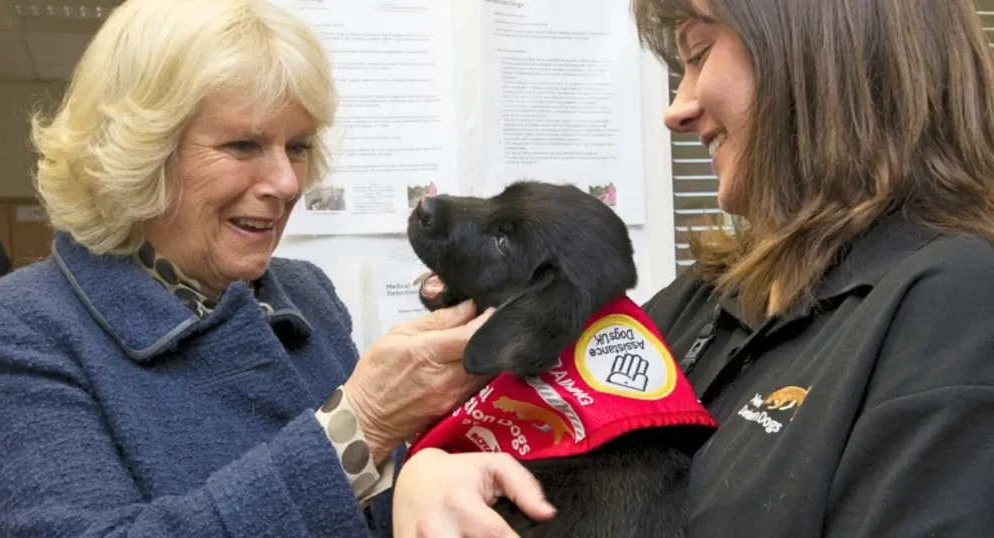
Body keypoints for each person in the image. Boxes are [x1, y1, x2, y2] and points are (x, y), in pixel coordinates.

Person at [392, 0, 994, 536]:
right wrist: (430, 478)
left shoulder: (956, 305)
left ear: (825, 58)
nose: (677, 109)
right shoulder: (709, 292)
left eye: (701, 54)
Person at [0, 0, 523, 536]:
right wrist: (362, 424)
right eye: (242, 144)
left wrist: (422, 471)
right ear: (140, 157)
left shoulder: (306, 292)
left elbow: (375, 491)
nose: (286, 183)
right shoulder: (13, 331)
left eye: (299, 146)